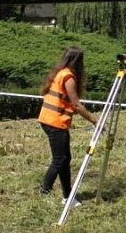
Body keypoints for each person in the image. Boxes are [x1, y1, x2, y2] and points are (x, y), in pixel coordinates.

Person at [38, 47, 98, 206]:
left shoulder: (60, 73)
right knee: (60, 159)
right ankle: (46, 191)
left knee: (64, 159)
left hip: (48, 119)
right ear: (79, 62)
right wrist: (94, 120)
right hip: (55, 122)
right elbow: (76, 105)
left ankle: (67, 195)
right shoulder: (69, 77)